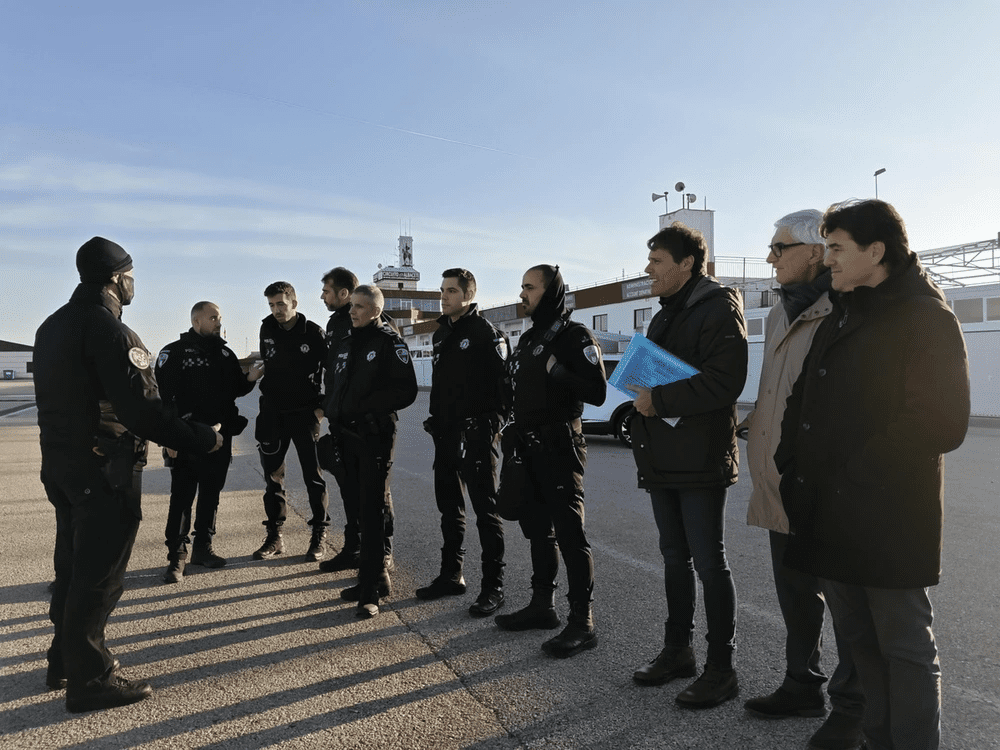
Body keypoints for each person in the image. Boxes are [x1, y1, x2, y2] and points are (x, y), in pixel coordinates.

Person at [776, 199, 969, 750]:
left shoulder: (926, 317)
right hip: (829, 512)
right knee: (860, 645)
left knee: (904, 650)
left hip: (888, 517)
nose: (827, 259)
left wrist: (851, 475)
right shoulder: (844, 310)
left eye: (837, 248)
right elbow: (801, 398)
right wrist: (791, 465)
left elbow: (940, 421)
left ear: (876, 251)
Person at [34, 237, 221, 713]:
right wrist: (203, 437)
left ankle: (63, 660)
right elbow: (143, 412)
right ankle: (91, 679)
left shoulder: (50, 326)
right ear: (118, 278)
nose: (134, 285)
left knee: (71, 565)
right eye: (131, 276)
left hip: (60, 465)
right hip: (104, 467)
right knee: (99, 575)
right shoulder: (113, 332)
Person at [741, 210, 864, 749]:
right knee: (794, 592)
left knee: (847, 603)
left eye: (779, 247)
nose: (770, 257)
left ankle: (854, 708)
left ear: (816, 251)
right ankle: (801, 684)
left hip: (826, 484)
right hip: (778, 477)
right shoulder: (776, 314)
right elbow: (777, 386)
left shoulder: (847, 305)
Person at [628, 223, 747, 709]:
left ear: (686, 264)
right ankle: (678, 651)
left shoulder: (719, 307)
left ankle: (722, 669)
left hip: (699, 458)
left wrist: (659, 399)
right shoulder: (664, 314)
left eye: (656, 261)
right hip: (663, 456)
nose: (648, 269)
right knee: (674, 559)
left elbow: (726, 381)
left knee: (709, 562)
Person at [494, 264, 607, 658]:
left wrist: (559, 372)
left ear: (551, 292)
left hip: (560, 446)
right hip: (527, 449)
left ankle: (582, 623)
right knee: (538, 530)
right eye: (521, 286)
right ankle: (543, 605)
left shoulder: (575, 336)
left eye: (529, 287)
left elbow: (597, 392)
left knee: (570, 534)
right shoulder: (528, 339)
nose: (522, 294)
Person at [320, 284, 417, 617]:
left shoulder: (389, 342)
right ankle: (369, 578)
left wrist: (365, 409)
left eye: (359, 307)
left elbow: (406, 391)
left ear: (375, 310)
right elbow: (335, 386)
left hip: (373, 437)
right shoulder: (346, 342)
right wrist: (332, 413)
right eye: (352, 306)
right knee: (358, 511)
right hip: (345, 436)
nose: (353, 311)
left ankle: (371, 590)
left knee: (373, 512)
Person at [417, 268, 508, 616]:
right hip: (446, 436)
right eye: (442, 290)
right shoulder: (441, 334)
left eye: (452, 291)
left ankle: (493, 587)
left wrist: (488, 428)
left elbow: (505, 392)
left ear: (469, 295)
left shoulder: (487, 334)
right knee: (450, 508)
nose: (444, 296)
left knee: (486, 512)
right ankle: (451, 575)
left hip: (477, 437)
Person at [156, 301, 263, 584]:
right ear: (196, 321)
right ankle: (177, 556)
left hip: (219, 436)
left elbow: (236, 389)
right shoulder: (173, 353)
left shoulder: (225, 354)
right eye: (213, 318)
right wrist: (168, 437)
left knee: (210, 493)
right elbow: (164, 400)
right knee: (182, 496)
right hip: (186, 436)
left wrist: (251, 378)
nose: (219, 322)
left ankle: (203, 547)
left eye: (220, 318)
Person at [317, 267, 396, 573]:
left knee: (376, 493)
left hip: (368, 425)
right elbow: (334, 371)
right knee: (349, 489)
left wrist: (369, 410)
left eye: (326, 291)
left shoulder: (378, 325)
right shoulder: (335, 324)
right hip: (341, 421)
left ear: (343, 293)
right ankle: (354, 547)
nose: (322, 297)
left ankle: (383, 552)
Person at [253, 281, 330, 562]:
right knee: (273, 478)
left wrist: (321, 409)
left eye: (281, 304)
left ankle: (319, 534)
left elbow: (332, 373)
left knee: (313, 477)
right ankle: (274, 537)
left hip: (305, 413)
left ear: (294, 303)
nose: (276, 310)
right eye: (271, 305)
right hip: (273, 413)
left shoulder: (314, 332)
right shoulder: (267, 328)